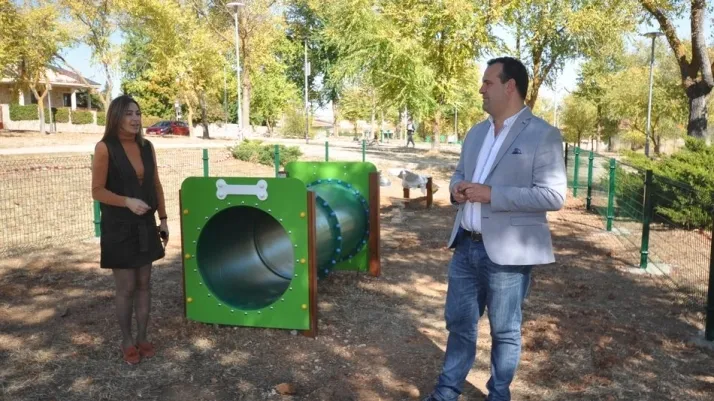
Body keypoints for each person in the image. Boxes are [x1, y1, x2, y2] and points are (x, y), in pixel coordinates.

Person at [423, 57, 567, 401]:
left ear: (510, 86)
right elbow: (460, 173)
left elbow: (553, 195)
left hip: (508, 255)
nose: (481, 89)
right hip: (465, 246)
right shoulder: (476, 132)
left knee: (504, 331)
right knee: (459, 325)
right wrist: (456, 189)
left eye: (488, 82)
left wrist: (492, 194)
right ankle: (446, 392)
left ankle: (499, 394)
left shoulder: (543, 135)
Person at [91, 95, 169, 365]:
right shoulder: (105, 148)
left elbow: (156, 184)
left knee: (144, 285)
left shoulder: (147, 146)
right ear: (116, 117)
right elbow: (97, 191)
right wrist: (126, 201)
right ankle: (126, 340)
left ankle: (142, 336)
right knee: (126, 288)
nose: (135, 119)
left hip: (145, 225)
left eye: (137, 113)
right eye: (128, 114)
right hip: (119, 228)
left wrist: (163, 218)